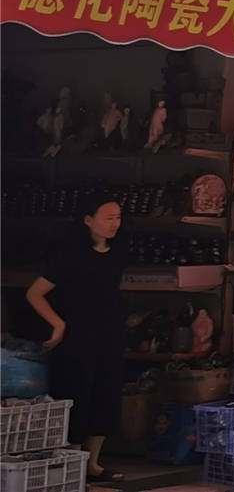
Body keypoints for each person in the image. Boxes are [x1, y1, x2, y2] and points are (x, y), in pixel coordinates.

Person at [25, 198, 128, 483]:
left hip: (109, 335)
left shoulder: (118, 252)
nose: (115, 223)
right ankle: (70, 461)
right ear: (88, 220)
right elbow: (35, 293)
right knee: (75, 395)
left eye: (118, 217)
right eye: (108, 217)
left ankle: (92, 464)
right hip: (75, 338)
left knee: (105, 396)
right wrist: (57, 324)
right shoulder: (69, 255)